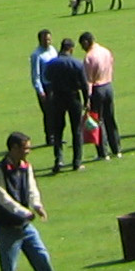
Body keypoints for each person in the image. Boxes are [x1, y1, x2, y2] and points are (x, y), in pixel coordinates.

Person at [0, 130, 70, 271]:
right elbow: (2, 198)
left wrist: (37, 205)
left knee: (42, 258)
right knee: (9, 270)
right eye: (25, 148)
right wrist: (24, 212)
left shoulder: (26, 167)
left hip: (26, 227)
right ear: (14, 148)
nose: (28, 151)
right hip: (7, 228)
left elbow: (32, 188)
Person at [42, 38, 88, 172]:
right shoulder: (77, 63)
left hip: (57, 98)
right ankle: (77, 162)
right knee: (76, 130)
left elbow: (47, 79)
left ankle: (59, 160)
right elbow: (84, 85)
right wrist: (86, 101)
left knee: (58, 131)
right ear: (71, 49)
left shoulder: (51, 64)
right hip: (73, 97)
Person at [79, 31, 120, 160]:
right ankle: (116, 148)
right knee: (110, 119)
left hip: (98, 89)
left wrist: (87, 99)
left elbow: (88, 80)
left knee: (98, 121)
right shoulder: (106, 51)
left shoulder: (89, 57)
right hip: (108, 85)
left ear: (86, 42)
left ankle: (103, 152)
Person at [28, 29, 63, 161]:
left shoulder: (53, 50)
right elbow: (35, 75)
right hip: (45, 86)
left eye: (49, 39)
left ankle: (57, 136)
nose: (47, 41)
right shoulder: (37, 55)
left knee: (56, 111)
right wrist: (40, 90)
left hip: (55, 84)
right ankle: (50, 137)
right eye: (45, 39)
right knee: (48, 113)